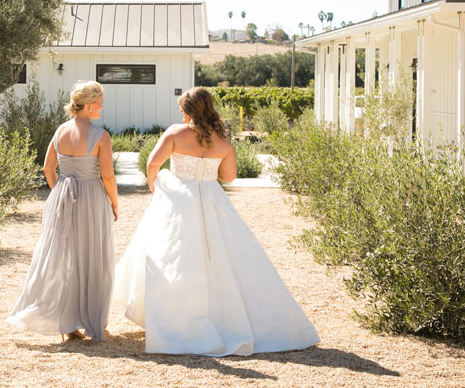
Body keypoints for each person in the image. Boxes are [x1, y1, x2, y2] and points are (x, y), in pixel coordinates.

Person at [111, 87, 319, 356]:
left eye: (182, 107)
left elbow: (152, 164)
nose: (179, 112)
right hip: (212, 199)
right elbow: (229, 176)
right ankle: (220, 316)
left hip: (177, 200)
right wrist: (208, 168)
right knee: (221, 258)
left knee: (173, 257)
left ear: (188, 110)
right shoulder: (222, 142)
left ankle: (174, 318)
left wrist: (159, 189)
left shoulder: (175, 133)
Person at [6, 81, 118, 341]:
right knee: (92, 257)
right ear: (89, 106)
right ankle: (93, 321)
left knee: (64, 257)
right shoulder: (101, 135)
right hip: (91, 198)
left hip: (63, 198)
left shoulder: (60, 131)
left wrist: (61, 193)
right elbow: (108, 176)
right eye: (100, 101)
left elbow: (48, 169)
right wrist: (113, 203)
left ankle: (68, 323)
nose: (102, 105)